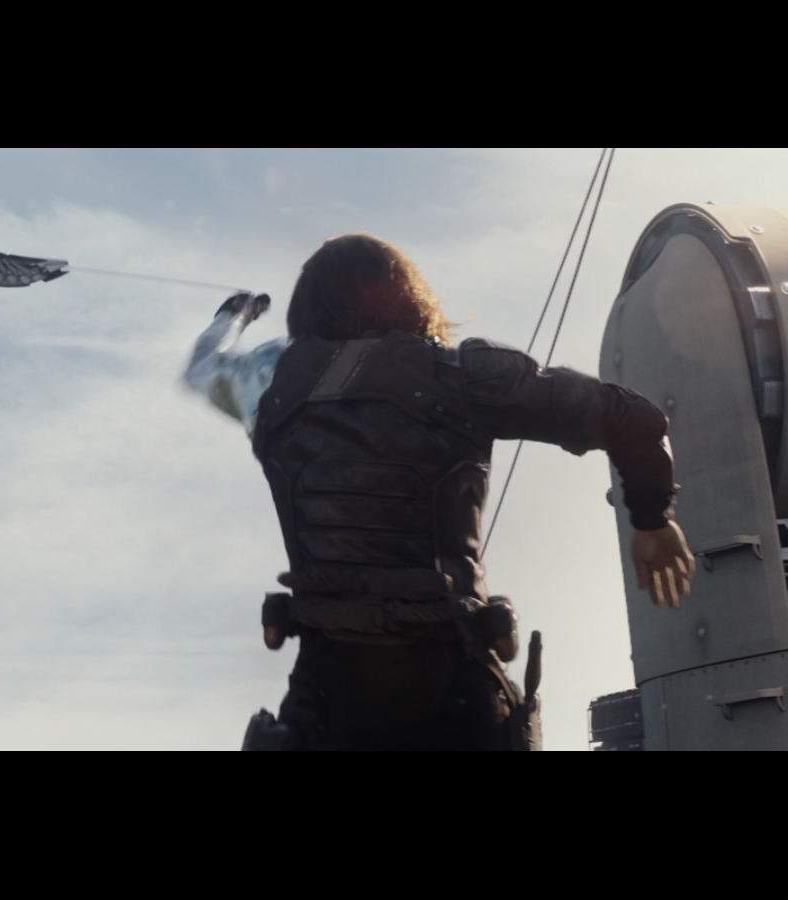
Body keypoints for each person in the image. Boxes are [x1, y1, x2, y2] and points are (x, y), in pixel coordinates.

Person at [182, 233, 696, 751]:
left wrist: (234, 315)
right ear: (409, 296)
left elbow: (203, 365)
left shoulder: (268, 379)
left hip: (329, 700)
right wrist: (652, 519)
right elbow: (633, 419)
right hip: (455, 695)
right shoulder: (464, 377)